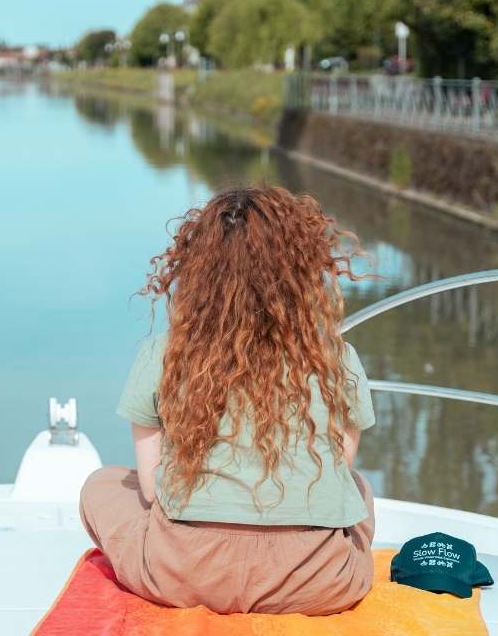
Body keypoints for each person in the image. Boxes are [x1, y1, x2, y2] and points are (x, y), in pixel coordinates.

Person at [79, 185, 376, 616]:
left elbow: (151, 488)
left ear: (199, 271)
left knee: (102, 485)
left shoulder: (164, 353)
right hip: (318, 583)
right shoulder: (338, 359)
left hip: (183, 573)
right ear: (300, 271)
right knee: (360, 489)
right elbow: (338, 469)